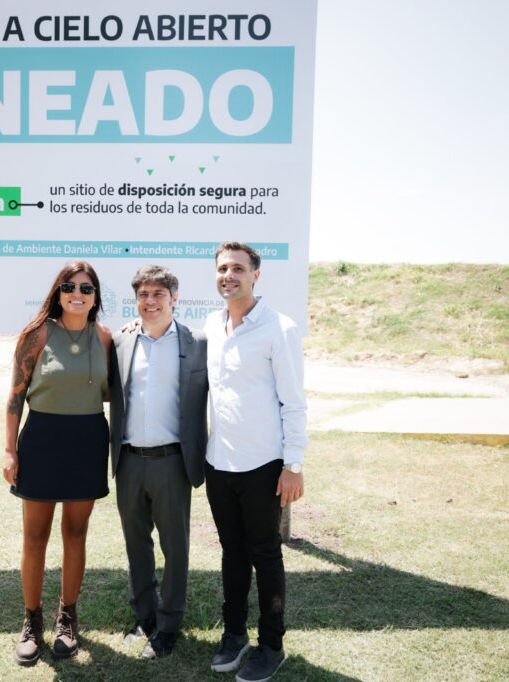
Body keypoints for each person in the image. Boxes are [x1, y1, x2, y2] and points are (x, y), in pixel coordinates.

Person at [204, 242, 307, 682]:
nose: (229, 275)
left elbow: (294, 402)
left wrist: (294, 465)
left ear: (256, 275)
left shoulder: (278, 328)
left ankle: (272, 645)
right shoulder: (211, 324)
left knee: (265, 555)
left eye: (238, 269)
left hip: (264, 465)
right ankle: (234, 635)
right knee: (231, 553)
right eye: (223, 268)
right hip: (219, 464)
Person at [3, 260, 112, 666]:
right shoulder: (36, 334)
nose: (77, 294)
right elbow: (15, 396)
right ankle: (32, 621)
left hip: (87, 440)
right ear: (58, 291)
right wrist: (10, 449)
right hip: (43, 439)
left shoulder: (104, 338)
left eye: (86, 288)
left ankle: (68, 617)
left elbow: (113, 392)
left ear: (96, 296)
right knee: (35, 536)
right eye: (70, 287)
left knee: (76, 533)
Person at [109, 265, 208, 660]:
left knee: (175, 549)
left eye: (158, 294)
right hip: (129, 460)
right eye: (143, 295)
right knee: (136, 546)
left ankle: (168, 625)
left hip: (172, 462)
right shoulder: (120, 341)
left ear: (174, 298)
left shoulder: (198, 342)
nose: (150, 302)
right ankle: (145, 618)